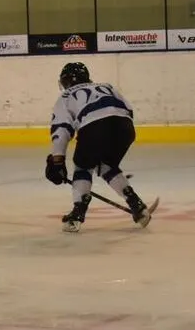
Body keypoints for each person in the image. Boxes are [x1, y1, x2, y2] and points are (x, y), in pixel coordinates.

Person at [44, 62, 155, 232]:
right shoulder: (107, 86)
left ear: (65, 81)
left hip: (95, 127)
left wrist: (57, 160)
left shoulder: (66, 96)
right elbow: (128, 110)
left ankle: (77, 214)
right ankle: (137, 205)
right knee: (106, 165)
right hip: (125, 127)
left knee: (83, 166)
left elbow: (61, 130)